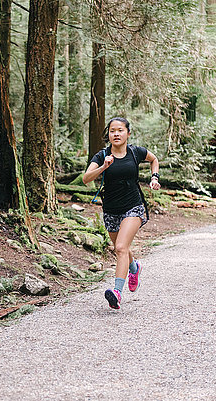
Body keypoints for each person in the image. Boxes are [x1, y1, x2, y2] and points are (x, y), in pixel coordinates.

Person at [82, 117, 161, 309]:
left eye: (120, 130)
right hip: (110, 210)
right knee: (122, 248)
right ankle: (134, 268)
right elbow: (85, 179)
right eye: (112, 131)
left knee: (120, 248)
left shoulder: (136, 152)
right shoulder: (102, 156)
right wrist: (103, 167)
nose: (116, 134)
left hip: (133, 206)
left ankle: (117, 292)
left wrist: (154, 177)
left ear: (128, 133)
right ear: (108, 134)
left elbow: (154, 159)